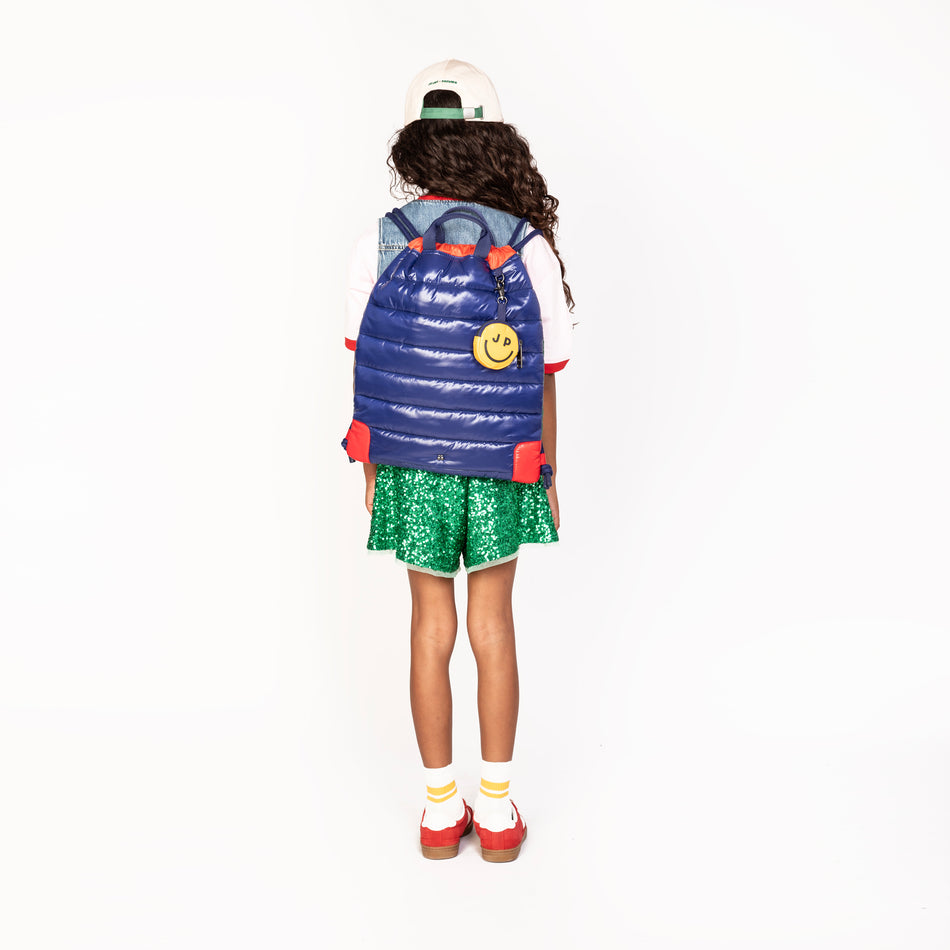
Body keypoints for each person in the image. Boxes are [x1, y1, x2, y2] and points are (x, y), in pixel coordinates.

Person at [342, 60, 574, 862]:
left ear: (413, 142)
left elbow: (368, 365)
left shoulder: (382, 241)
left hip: (409, 464)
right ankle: (498, 815)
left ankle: (441, 813)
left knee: (430, 625)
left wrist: (372, 470)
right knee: (492, 626)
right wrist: (546, 472)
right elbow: (545, 375)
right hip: (503, 461)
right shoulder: (526, 246)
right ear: (494, 140)